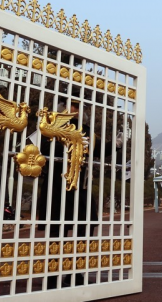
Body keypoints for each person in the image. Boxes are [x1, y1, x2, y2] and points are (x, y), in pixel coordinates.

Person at [37, 99, 123, 288]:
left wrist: (116, 144)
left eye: (78, 107)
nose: (75, 110)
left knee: (85, 231)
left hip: (80, 188)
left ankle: (77, 273)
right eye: (71, 106)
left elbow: (98, 149)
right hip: (56, 187)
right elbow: (42, 149)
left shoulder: (86, 131)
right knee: (55, 234)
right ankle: (52, 276)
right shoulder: (50, 126)